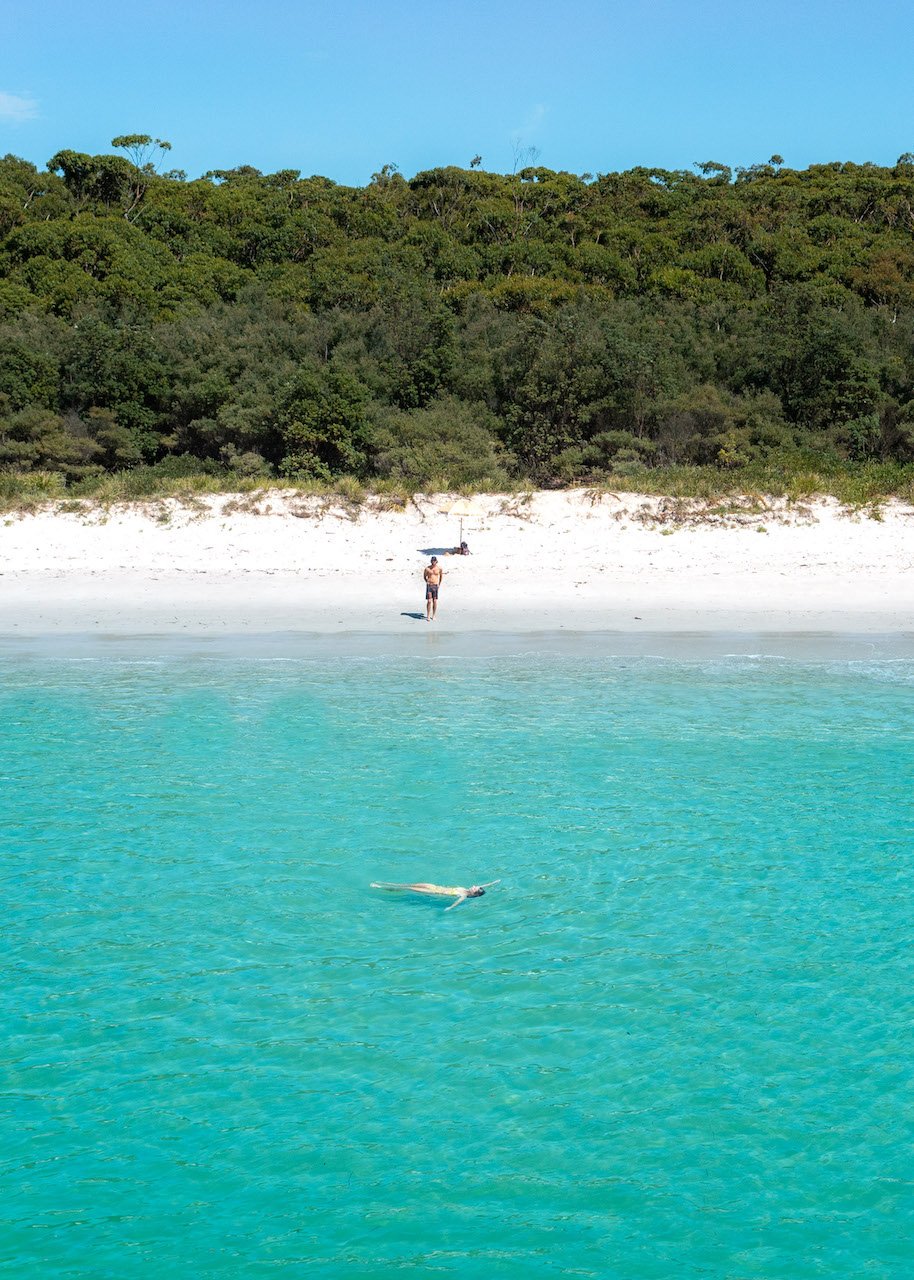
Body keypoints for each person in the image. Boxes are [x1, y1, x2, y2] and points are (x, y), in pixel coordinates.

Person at [370, 881, 499, 911]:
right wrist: (494, 883)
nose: (474, 886)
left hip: (433, 892)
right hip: (433, 886)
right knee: (407, 884)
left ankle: (380, 887)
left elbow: (457, 903)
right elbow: (485, 885)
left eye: (476, 888)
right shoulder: (467, 890)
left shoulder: (464, 895)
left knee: (409, 888)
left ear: (475, 893)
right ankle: (385, 883)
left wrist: (449, 908)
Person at [423, 555, 444, 621]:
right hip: (429, 585)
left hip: (435, 585)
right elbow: (424, 576)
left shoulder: (439, 568)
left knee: (435, 601)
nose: (433, 562)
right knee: (429, 601)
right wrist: (427, 582)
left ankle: (434, 615)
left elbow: (441, 577)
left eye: (434, 561)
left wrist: (439, 584)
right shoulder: (427, 568)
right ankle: (428, 615)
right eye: (432, 561)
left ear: (436, 561)